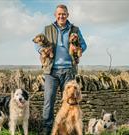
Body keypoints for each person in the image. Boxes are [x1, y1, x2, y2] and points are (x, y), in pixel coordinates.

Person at [34, 4, 87, 135]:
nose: (61, 16)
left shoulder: (75, 29)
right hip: (51, 71)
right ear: (55, 15)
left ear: (67, 15)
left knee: (71, 101)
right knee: (48, 101)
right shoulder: (47, 29)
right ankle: (47, 128)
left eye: (64, 14)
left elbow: (84, 45)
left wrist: (77, 49)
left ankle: (69, 129)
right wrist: (42, 50)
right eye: (59, 14)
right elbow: (37, 44)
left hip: (69, 69)